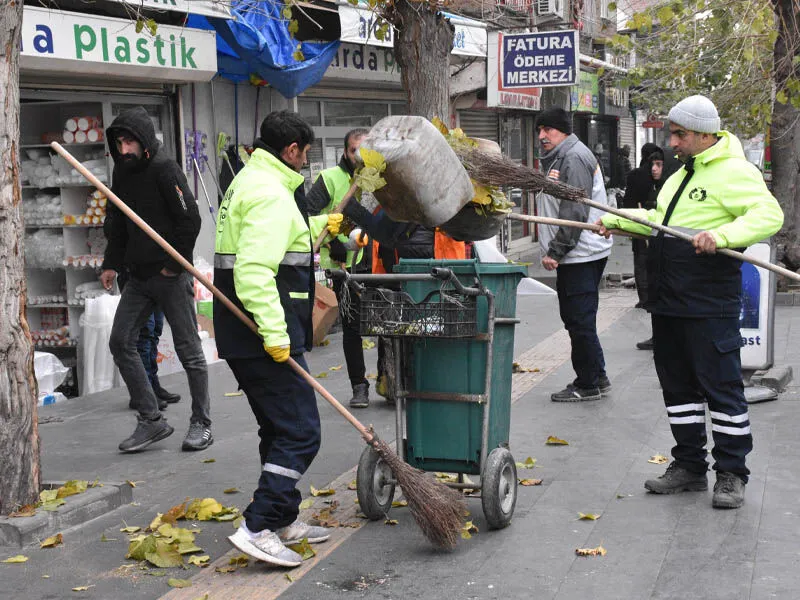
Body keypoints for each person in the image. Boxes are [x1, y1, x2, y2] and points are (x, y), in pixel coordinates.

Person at [597, 95, 784, 509]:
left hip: (708, 304)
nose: (672, 141)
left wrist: (722, 236)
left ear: (703, 133)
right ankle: (689, 466)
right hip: (669, 303)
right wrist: (614, 220)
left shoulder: (735, 171)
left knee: (722, 390)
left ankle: (732, 473)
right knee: (678, 388)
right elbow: (660, 223)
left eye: (679, 134)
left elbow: (769, 215)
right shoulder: (683, 175)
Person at [215, 111, 342, 567]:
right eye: (307, 154)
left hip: (249, 334)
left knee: (278, 427)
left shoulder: (255, 181)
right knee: (301, 430)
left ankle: (283, 517)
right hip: (261, 335)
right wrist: (275, 334)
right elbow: (253, 270)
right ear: (292, 150)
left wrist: (322, 224)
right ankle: (257, 524)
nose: (307, 163)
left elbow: (272, 241)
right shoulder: (269, 192)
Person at [101, 106, 212, 454]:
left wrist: (172, 266)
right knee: (121, 342)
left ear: (145, 141)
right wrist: (111, 263)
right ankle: (151, 419)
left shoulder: (166, 170)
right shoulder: (122, 172)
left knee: (189, 352)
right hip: (137, 276)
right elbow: (119, 223)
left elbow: (189, 220)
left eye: (129, 142)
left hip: (169, 275)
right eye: (119, 143)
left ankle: (201, 424)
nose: (124, 150)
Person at [342, 202, 466, 403]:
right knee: (393, 328)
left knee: (425, 327)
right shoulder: (388, 200)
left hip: (432, 267)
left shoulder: (437, 200)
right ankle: (393, 383)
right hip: (394, 266)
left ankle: (423, 383)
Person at [534, 107, 613, 402]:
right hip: (577, 254)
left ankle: (588, 383)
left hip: (581, 254)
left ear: (563, 130)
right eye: (539, 130)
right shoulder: (561, 156)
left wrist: (556, 250)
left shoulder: (574, 158)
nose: (542, 136)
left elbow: (575, 210)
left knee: (579, 320)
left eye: (548, 130)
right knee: (577, 319)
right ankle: (598, 375)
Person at [306, 128, 372, 408]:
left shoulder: (379, 179)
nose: (359, 155)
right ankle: (359, 386)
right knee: (352, 327)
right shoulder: (330, 179)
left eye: (365, 150)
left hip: (377, 264)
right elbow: (308, 213)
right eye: (354, 149)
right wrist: (337, 239)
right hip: (343, 266)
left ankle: (389, 380)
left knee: (389, 326)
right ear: (345, 152)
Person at [622, 142, 661, 310]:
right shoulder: (659, 175)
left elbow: (627, 201)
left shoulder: (636, 174)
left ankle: (644, 298)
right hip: (658, 224)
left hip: (639, 222)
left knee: (640, 260)